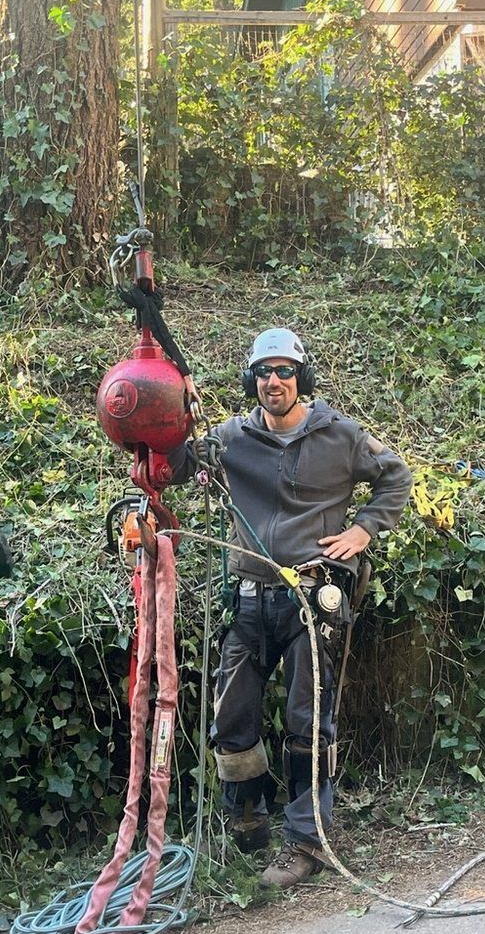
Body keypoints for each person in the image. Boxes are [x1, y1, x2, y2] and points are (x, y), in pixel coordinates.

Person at [169, 327, 412, 888]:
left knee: (308, 722)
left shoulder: (340, 436)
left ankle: (307, 841)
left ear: (301, 377)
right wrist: (160, 419)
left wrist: (364, 530)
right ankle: (248, 813)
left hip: (313, 600)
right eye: (262, 371)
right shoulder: (232, 438)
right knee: (231, 716)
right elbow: (177, 466)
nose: (272, 381)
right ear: (249, 378)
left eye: (283, 371)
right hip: (251, 599)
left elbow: (395, 477)